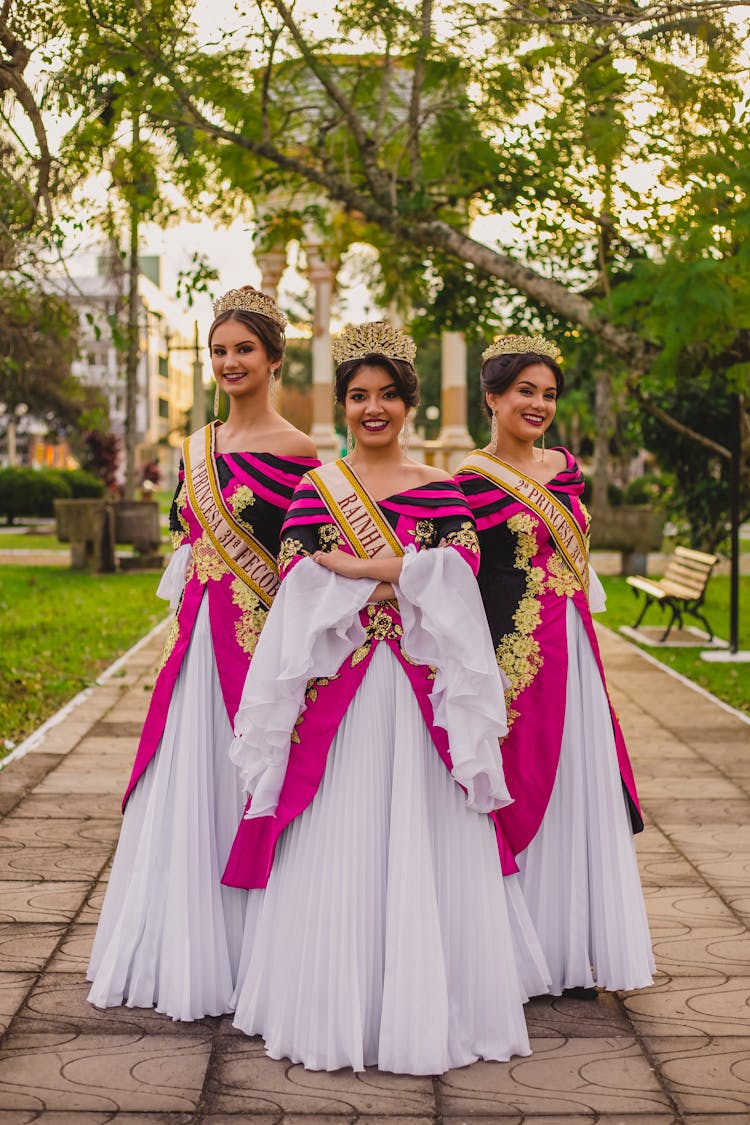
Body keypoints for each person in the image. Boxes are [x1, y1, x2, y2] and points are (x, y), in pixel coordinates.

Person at [221, 321, 539, 1074]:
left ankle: (429, 1006)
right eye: (359, 395)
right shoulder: (314, 488)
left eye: (388, 395)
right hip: (345, 693)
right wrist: (401, 567)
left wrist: (360, 566)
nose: (374, 408)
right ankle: (339, 1002)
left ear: (409, 403)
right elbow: (299, 580)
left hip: (422, 689)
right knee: (344, 828)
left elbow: (459, 573)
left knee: (427, 835)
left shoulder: (442, 486)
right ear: (343, 402)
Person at [87, 286, 318, 1020]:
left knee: (251, 778)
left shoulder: (302, 451)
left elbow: (305, 558)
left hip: (258, 644)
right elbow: (190, 542)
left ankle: (256, 954)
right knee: (186, 779)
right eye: (219, 350)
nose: (228, 362)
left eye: (244, 348)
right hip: (195, 643)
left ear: (276, 357)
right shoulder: (196, 447)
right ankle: (183, 948)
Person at [456, 334, 654, 998]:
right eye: (524, 392)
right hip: (513, 656)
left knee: (577, 783)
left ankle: (571, 950)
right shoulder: (468, 483)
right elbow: (461, 580)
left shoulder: (565, 469)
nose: (538, 404)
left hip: (573, 647)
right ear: (492, 397)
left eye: (547, 394)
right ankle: (515, 952)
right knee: (521, 778)